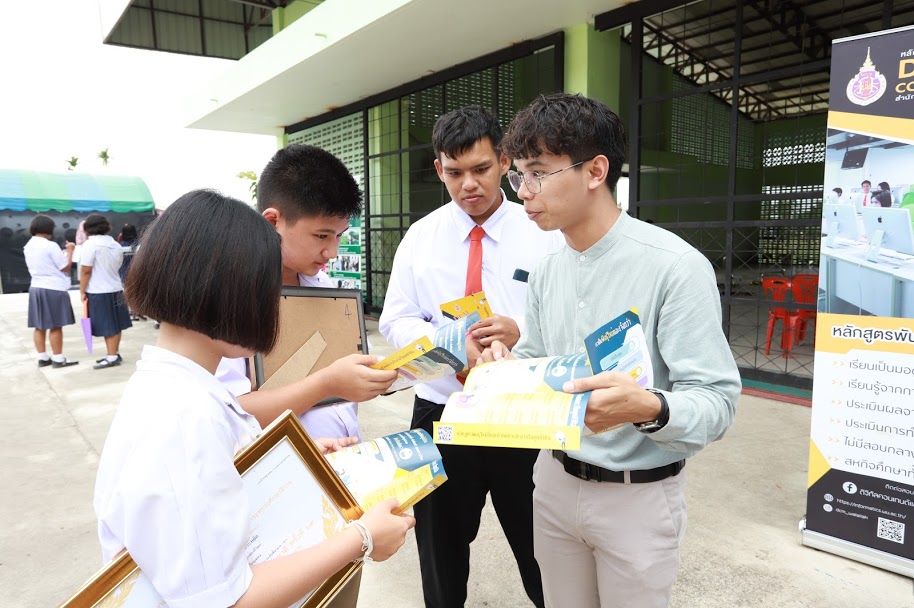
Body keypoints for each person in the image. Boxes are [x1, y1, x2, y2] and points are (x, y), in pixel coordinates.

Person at [94, 189, 414, 608]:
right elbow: (227, 600)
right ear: (220, 290)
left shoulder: (177, 390)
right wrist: (364, 537)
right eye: (266, 291)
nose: (274, 308)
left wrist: (286, 460)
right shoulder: (186, 419)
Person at [481, 93, 741, 608]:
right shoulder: (548, 270)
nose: (524, 192)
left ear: (595, 171)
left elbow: (716, 401)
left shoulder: (675, 267)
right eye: (520, 177)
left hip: (637, 495)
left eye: (538, 174)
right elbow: (538, 357)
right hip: (554, 481)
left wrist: (650, 408)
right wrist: (506, 369)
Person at [379, 106, 563, 608]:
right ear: (438, 169)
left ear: (504, 161)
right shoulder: (420, 238)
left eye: (480, 169)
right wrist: (451, 342)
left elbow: (569, 315)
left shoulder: (544, 232)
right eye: (454, 172)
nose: (468, 185)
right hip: (441, 411)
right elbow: (396, 319)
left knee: (543, 550)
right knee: (439, 549)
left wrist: (521, 331)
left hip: (523, 412)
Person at [216, 144, 398, 437]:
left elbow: (355, 359)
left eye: (339, 236)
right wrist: (327, 384)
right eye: (322, 235)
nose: (332, 252)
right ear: (273, 221)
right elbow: (231, 413)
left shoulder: (325, 287)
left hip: (342, 454)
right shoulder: (230, 301)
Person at [23, 214, 78, 368]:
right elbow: (65, 267)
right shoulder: (50, 245)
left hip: (36, 287)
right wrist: (70, 251)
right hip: (53, 288)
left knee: (39, 325)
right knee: (56, 325)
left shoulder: (28, 245)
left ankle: (42, 357)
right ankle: (58, 359)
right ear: (49, 229)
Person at [80, 214, 132, 369]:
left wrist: (82, 291)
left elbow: (86, 270)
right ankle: (114, 352)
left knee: (108, 325)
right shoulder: (115, 244)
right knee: (116, 324)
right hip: (116, 287)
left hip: (98, 290)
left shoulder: (90, 244)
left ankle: (111, 357)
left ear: (87, 228)